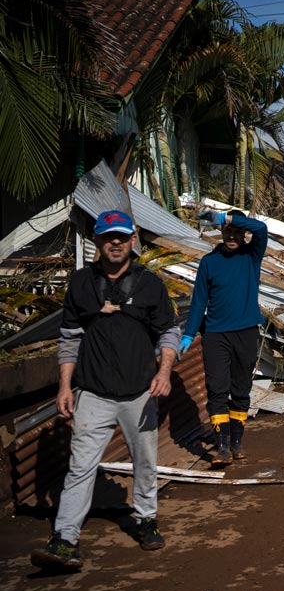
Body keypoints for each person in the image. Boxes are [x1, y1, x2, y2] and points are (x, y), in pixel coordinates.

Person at [31, 210, 180, 571]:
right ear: (96, 241)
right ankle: (65, 538)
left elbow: (169, 332)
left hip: (139, 392)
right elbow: (69, 339)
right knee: (80, 466)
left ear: (132, 240)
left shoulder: (150, 284)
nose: (115, 242)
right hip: (93, 393)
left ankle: (146, 519)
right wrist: (65, 386)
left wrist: (164, 372)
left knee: (144, 461)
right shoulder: (81, 284)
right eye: (107, 236)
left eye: (121, 236)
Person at [179, 208, 268, 468]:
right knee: (217, 389)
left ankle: (237, 442)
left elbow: (261, 229)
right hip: (216, 335)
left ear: (242, 233)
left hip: (246, 332)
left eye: (236, 231)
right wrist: (188, 334)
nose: (232, 235)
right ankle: (222, 448)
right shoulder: (209, 262)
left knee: (240, 389)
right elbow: (198, 303)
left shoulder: (251, 256)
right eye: (227, 230)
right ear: (220, 232)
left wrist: (227, 217)